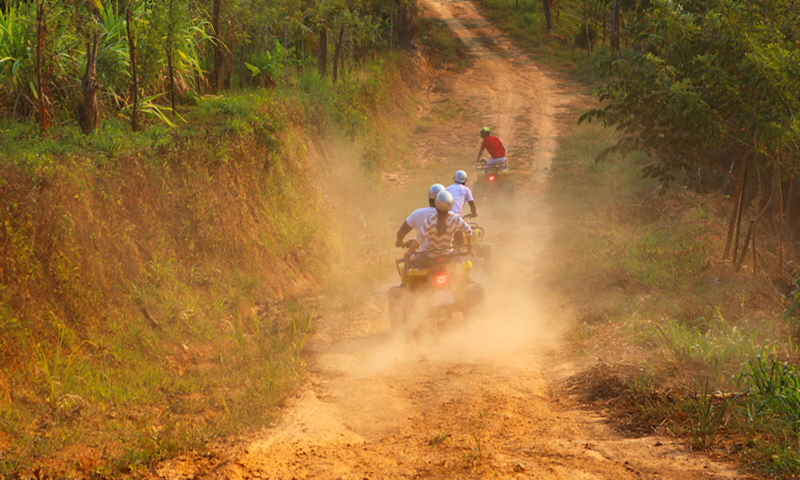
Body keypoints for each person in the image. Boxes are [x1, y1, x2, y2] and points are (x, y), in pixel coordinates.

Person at [405, 190, 472, 263]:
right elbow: (468, 231)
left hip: (429, 257)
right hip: (448, 255)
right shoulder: (455, 219)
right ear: (451, 205)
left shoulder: (430, 219)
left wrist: (408, 252)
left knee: (414, 267)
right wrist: (469, 244)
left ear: (436, 204)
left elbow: (420, 239)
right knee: (460, 268)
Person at [395, 184, 446, 249]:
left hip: (424, 255)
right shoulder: (451, 215)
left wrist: (399, 241)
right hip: (446, 253)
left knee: (408, 257)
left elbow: (401, 232)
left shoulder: (417, 213)